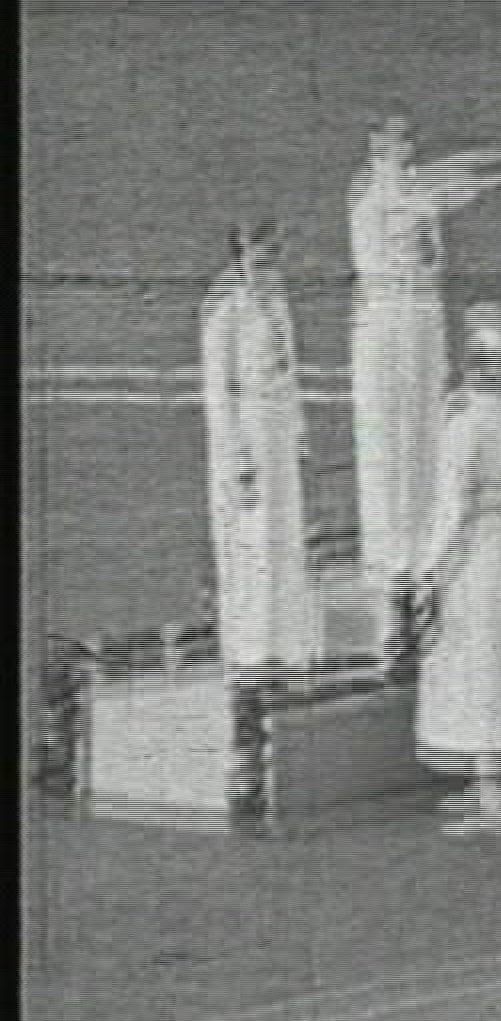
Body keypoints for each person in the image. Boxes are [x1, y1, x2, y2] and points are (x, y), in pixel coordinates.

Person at [347, 114, 501, 631]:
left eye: (405, 139)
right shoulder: (371, 199)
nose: (402, 148)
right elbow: (389, 258)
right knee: (391, 449)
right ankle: (395, 574)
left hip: (422, 321)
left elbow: (431, 254)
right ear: (375, 146)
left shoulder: (412, 194)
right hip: (389, 326)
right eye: (390, 140)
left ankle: (427, 559)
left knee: (427, 439)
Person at [412, 303, 501, 837]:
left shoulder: (465, 427)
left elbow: (455, 510)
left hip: (479, 553)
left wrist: (430, 573)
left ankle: (494, 798)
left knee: (481, 666)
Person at [199, 220, 317, 679]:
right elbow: (219, 392)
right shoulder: (223, 310)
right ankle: (250, 654)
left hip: (278, 434)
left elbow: (290, 370)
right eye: (259, 259)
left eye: (273, 257)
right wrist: (238, 456)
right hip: (247, 436)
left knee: (285, 541)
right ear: (240, 255)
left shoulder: (276, 300)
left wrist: (298, 429)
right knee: (252, 545)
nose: (268, 267)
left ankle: (286, 649)